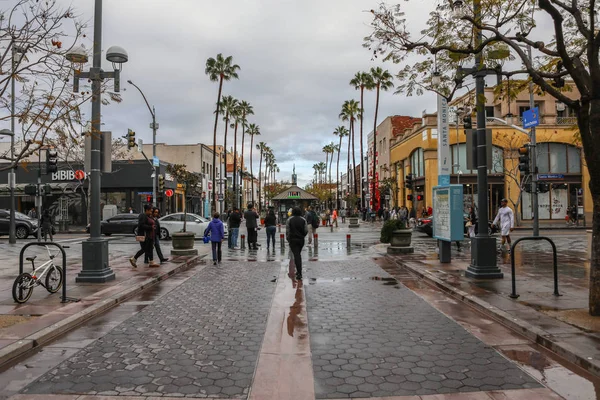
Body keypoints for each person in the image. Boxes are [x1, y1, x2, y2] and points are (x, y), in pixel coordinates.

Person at [286, 207, 308, 280]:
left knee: (296, 255)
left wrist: (288, 238)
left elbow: (288, 230)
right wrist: (302, 235)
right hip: (301, 239)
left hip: (293, 239)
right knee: (298, 254)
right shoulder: (303, 220)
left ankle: (299, 272)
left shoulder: (289, 220)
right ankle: (299, 272)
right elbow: (306, 230)